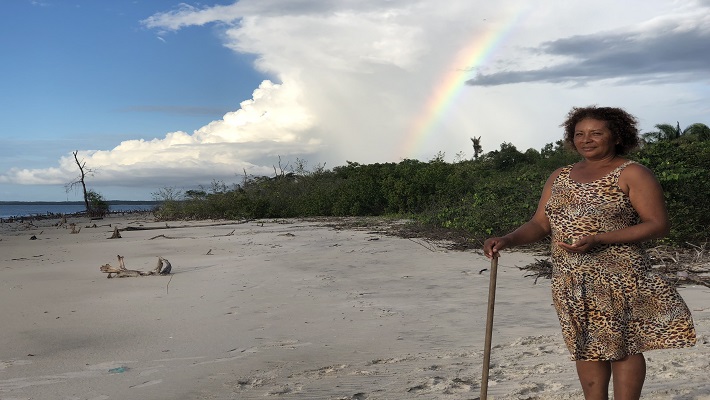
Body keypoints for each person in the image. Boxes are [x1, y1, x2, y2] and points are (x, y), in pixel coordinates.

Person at [483, 106, 696, 400]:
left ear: (617, 136)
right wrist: (507, 239)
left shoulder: (632, 172)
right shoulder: (560, 176)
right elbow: (540, 223)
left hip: (619, 277)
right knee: (584, 345)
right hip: (570, 278)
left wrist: (599, 239)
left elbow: (658, 224)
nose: (586, 139)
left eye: (596, 133)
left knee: (623, 346)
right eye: (579, 134)